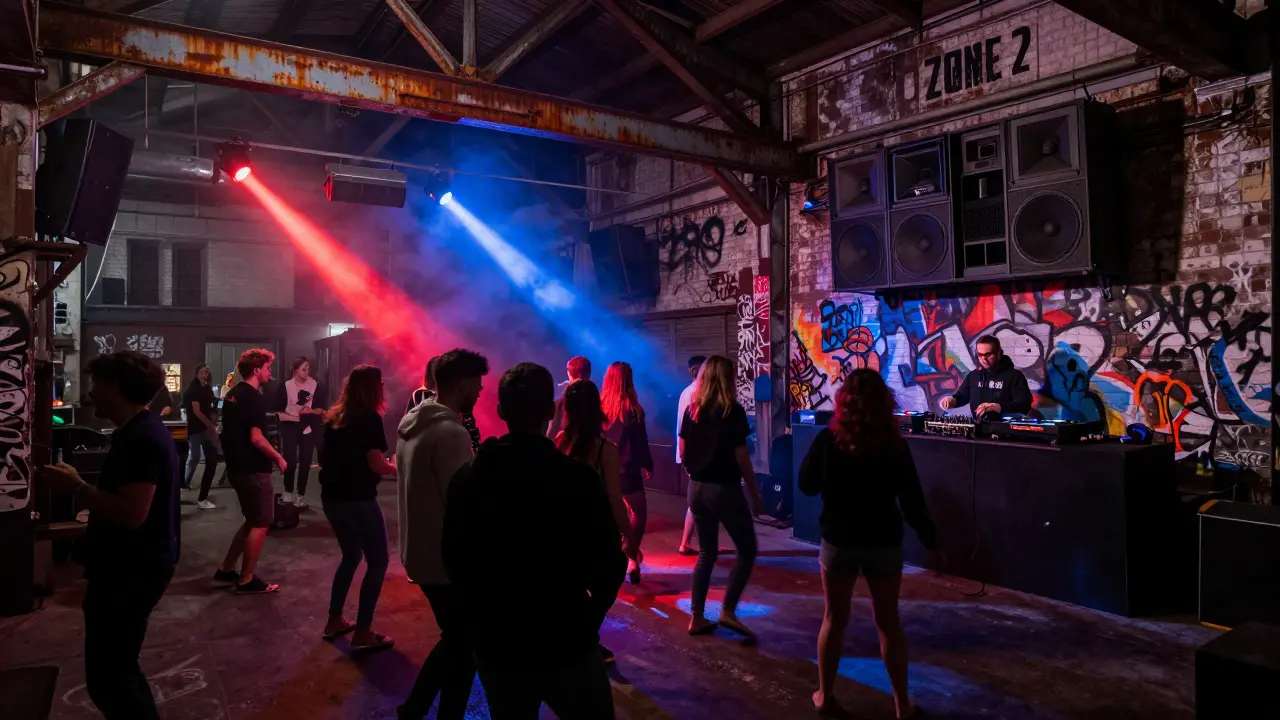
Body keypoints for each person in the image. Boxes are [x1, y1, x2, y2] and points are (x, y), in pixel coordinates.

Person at [443, 363, 625, 719]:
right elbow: (609, 564)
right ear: (550, 412)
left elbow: (454, 561)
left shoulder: (469, 478)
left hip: (498, 644)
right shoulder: (578, 478)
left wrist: (479, 625)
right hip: (566, 641)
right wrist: (587, 622)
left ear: (501, 411)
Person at [41, 351, 179, 719]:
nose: (90, 392)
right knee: (119, 671)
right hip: (134, 565)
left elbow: (132, 513)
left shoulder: (140, 438)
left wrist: (76, 487)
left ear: (115, 387)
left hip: (132, 571)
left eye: (96, 384)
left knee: (110, 678)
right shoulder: (140, 430)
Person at [799, 369, 938, 719]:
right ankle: (902, 704)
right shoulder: (894, 444)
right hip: (883, 540)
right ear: (883, 402)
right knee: (889, 622)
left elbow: (806, 485)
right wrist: (932, 540)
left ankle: (825, 696)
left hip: (839, 539)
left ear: (843, 401)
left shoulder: (828, 440)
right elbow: (912, 501)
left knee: (834, 618)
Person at [397, 349, 490, 720]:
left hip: (419, 551)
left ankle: (414, 709)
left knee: (457, 639)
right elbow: (463, 503)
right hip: (444, 560)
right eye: (478, 385)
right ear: (463, 385)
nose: (480, 392)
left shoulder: (412, 423)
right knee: (464, 645)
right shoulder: (450, 433)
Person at [679, 355, 762, 638]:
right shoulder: (732, 411)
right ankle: (727, 610)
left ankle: (696, 617)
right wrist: (754, 493)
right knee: (747, 550)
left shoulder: (693, 410)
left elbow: (682, 451)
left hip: (696, 488)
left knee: (706, 553)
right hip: (724, 488)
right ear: (726, 378)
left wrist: (696, 468)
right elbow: (742, 457)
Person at [319, 365, 397, 652]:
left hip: (332, 497)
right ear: (373, 388)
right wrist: (396, 468)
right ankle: (363, 632)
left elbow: (325, 459)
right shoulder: (370, 419)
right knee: (378, 561)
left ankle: (334, 620)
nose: (384, 387)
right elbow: (375, 464)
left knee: (351, 555)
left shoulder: (335, 417)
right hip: (359, 499)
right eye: (381, 383)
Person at [553, 379, 629, 665]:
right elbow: (614, 498)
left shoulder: (559, 442)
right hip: (597, 533)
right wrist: (630, 537)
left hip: (566, 531)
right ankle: (583, 640)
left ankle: (581, 639)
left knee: (574, 586)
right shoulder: (604, 449)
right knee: (610, 578)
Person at [215, 348, 288, 594]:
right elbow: (256, 438)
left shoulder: (233, 394)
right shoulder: (254, 397)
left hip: (236, 467)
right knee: (261, 522)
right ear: (256, 370)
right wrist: (278, 457)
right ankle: (246, 579)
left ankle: (226, 569)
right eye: (267, 368)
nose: (270, 373)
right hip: (252, 468)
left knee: (252, 520)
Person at [601, 360, 653, 584]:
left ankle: (613, 558)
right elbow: (640, 442)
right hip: (628, 470)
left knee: (611, 516)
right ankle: (631, 558)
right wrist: (647, 465)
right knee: (638, 514)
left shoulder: (601, 407)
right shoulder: (633, 409)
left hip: (606, 469)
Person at [938, 335, 1032, 419]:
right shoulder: (973, 376)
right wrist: (951, 400)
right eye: (980, 355)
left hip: (1005, 429)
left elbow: (1024, 405)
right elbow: (962, 396)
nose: (984, 359)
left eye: (988, 354)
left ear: (999, 354)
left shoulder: (1015, 376)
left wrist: (998, 407)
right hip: (978, 428)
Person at [276, 356, 326, 509]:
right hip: (289, 425)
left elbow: (321, 408)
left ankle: (300, 495)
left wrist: (310, 411)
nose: (307, 371)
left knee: (305, 461)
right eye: (304, 369)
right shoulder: (285, 386)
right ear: (295, 370)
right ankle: (288, 491)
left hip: (307, 426)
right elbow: (279, 412)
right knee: (290, 460)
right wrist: (293, 417)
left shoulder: (315, 385)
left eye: (308, 369)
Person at [676, 355, 706, 556]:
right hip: (696, 456)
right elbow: (688, 429)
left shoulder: (688, 391)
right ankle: (687, 543)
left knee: (699, 501)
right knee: (698, 501)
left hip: (691, 455)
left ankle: (689, 543)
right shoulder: (695, 393)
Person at [182, 363, 222, 508]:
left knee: (210, 460)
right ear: (197, 373)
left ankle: (200, 496)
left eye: (207, 372)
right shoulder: (194, 389)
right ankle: (184, 484)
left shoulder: (207, 389)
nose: (205, 374)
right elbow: (197, 412)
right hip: (196, 428)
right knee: (196, 457)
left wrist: (219, 406)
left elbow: (213, 403)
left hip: (205, 429)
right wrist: (211, 426)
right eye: (202, 372)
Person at [546, 355, 591, 440]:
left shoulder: (561, 391)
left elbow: (554, 424)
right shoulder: (593, 394)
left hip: (561, 439)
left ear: (569, 372)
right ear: (588, 373)